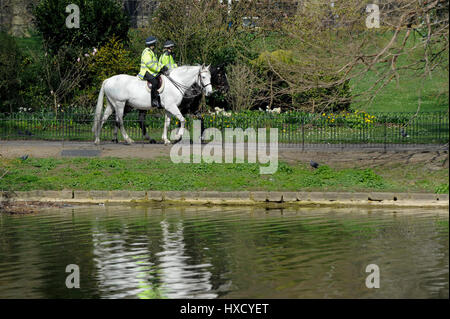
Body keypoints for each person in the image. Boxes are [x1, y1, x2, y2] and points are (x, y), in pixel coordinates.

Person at [137, 36, 168, 108]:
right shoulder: (146, 52)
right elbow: (150, 64)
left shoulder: (152, 52)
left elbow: (156, 63)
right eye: (154, 44)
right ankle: (154, 100)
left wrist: (163, 66)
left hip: (151, 71)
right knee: (155, 82)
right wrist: (159, 69)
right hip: (145, 72)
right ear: (152, 44)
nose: (155, 45)